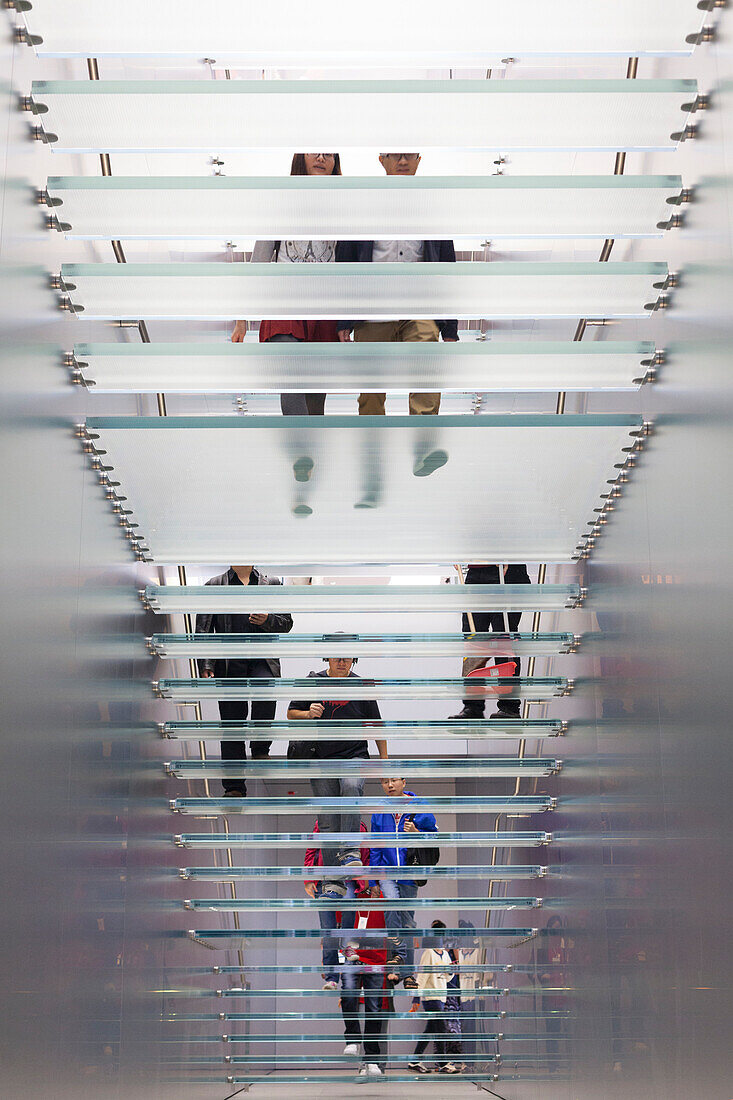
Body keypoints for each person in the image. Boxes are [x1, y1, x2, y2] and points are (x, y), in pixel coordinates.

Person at [335, 152, 458, 434]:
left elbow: (447, 266)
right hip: (372, 312)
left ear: (418, 160)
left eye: (408, 156)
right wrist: (343, 320)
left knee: (426, 368)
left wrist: (450, 325)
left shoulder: (432, 208)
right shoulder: (363, 207)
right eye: (396, 156)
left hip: (419, 308)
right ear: (382, 160)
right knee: (370, 392)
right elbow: (346, 262)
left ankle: (423, 441)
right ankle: (373, 448)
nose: (402, 162)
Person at [231, 152, 343, 417]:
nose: (321, 158)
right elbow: (259, 260)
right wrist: (242, 319)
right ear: (300, 157)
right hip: (285, 305)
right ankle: (301, 450)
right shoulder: (281, 204)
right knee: (292, 384)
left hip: (324, 309)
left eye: (329, 154)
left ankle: (311, 453)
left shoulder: (342, 206)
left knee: (316, 398)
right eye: (314, 151)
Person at [288, 657, 387, 896]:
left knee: (352, 787)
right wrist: (308, 713)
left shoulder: (362, 685)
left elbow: (376, 723)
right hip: (321, 758)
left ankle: (351, 852)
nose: (342, 662)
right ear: (327, 658)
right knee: (328, 819)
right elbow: (291, 713)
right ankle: (334, 879)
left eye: (347, 658)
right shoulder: (313, 681)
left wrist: (385, 760)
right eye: (337, 657)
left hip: (354, 754)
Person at [196, 565, 292, 796]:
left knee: (266, 692)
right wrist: (206, 664)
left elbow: (287, 623)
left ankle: (260, 749)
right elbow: (203, 629)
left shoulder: (273, 583)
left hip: (262, 658)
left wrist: (267, 620)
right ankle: (234, 787)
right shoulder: (214, 585)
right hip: (229, 661)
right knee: (232, 724)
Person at [369, 775, 438, 989]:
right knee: (391, 904)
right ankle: (399, 955)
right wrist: (374, 879)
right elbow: (375, 846)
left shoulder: (420, 805)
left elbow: (434, 837)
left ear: (404, 782)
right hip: (388, 872)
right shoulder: (379, 810)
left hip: (410, 872)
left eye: (394, 780)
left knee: (408, 923)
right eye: (384, 782)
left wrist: (417, 833)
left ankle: (408, 974)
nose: (389, 785)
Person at [450, 562, 531, 720]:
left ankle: (509, 707)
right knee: (472, 640)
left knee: (504, 640)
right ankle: (472, 706)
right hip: (476, 570)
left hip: (507, 569)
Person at [303, 817, 370, 991]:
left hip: (347, 878)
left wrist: (365, 881)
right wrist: (309, 879)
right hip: (323, 879)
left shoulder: (358, 825)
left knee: (349, 906)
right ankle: (331, 978)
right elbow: (311, 850)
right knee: (328, 929)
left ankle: (347, 947)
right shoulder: (322, 823)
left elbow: (365, 853)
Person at [340, 883, 394, 1076]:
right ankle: (353, 1040)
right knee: (347, 996)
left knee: (373, 1008)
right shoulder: (350, 896)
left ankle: (371, 1060)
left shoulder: (383, 898)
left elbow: (394, 926)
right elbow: (340, 928)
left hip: (376, 958)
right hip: (352, 955)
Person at [408, 921, 461, 1074]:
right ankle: (444, 1064)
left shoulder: (444, 954)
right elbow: (422, 977)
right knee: (440, 1029)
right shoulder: (429, 953)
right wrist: (416, 998)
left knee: (432, 1029)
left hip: (441, 996)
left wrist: (450, 971)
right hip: (430, 997)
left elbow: (447, 978)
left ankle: (414, 1061)